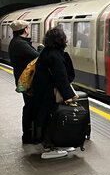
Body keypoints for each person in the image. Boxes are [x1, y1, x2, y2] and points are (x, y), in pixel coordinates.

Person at [32, 26, 77, 159]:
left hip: (43, 91)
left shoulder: (48, 52)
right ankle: (49, 148)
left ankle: (55, 144)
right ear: (61, 40)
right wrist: (68, 96)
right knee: (51, 118)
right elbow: (61, 77)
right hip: (48, 93)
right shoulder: (55, 56)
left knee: (49, 117)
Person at [8, 20, 40, 143]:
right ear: (25, 29)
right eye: (28, 27)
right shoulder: (20, 44)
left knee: (30, 107)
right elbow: (37, 56)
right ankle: (28, 136)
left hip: (25, 81)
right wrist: (41, 48)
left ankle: (30, 134)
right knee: (30, 107)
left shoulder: (16, 42)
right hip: (27, 82)